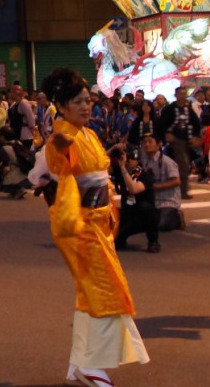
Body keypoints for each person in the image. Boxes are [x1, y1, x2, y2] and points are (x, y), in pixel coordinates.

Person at [36, 68, 147, 387]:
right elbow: (63, 160)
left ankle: (81, 362)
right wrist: (59, 143)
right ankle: (92, 364)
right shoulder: (64, 135)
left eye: (88, 101)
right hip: (80, 224)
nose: (87, 107)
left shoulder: (86, 132)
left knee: (91, 291)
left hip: (96, 222)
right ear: (62, 105)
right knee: (103, 288)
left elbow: (91, 167)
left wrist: (108, 157)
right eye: (78, 102)